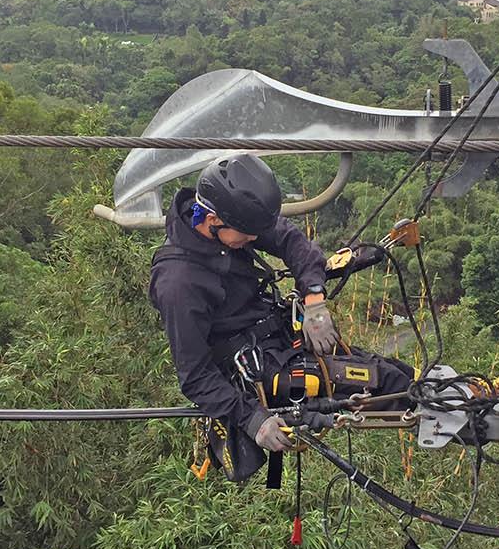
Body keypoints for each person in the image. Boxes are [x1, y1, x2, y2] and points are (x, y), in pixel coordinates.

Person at [149, 153, 412, 482]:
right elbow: (195, 376)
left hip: (280, 339)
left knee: (394, 374)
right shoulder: (180, 283)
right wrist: (252, 419)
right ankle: (463, 412)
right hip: (257, 369)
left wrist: (314, 298)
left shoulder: (238, 218)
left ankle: (461, 398)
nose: (254, 240)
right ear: (213, 220)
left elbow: (291, 241)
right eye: (247, 235)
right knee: (382, 384)